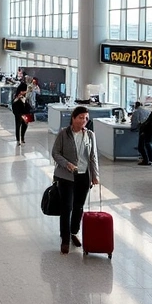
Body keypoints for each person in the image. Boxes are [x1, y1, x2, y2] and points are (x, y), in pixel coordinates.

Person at [50, 106, 100, 254]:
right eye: (80, 117)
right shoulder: (64, 134)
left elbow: (93, 156)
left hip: (83, 176)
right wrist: (67, 164)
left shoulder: (90, 135)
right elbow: (55, 153)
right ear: (73, 118)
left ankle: (74, 232)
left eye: (86, 118)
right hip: (66, 176)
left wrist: (95, 175)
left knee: (78, 206)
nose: (84, 120)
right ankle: (65, 239)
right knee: (67, 207)